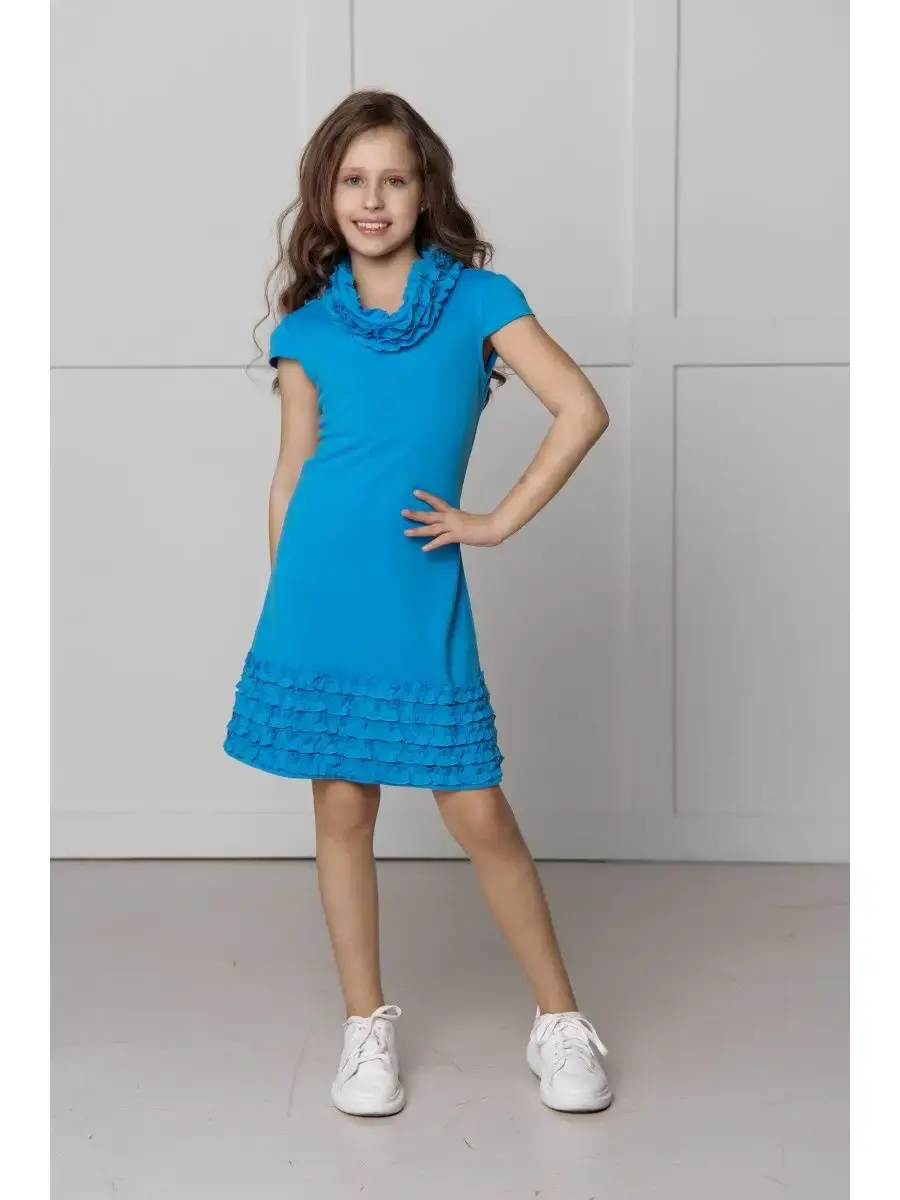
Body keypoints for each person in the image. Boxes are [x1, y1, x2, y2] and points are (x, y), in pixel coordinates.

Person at [223, 89, 612, 1118]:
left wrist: (496, 521)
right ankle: (366, 1028)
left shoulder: (480, 301)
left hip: (413, 586)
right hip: (318, 594)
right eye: (353, 180)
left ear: (425, 189)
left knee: (476, 807)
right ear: (325, 194)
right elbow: (290, 477)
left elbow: (580, 408)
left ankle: (559, 1020)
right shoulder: (307, 330)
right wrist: (282, 611)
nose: (372, 199)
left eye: (393, 179)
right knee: (342, 807)